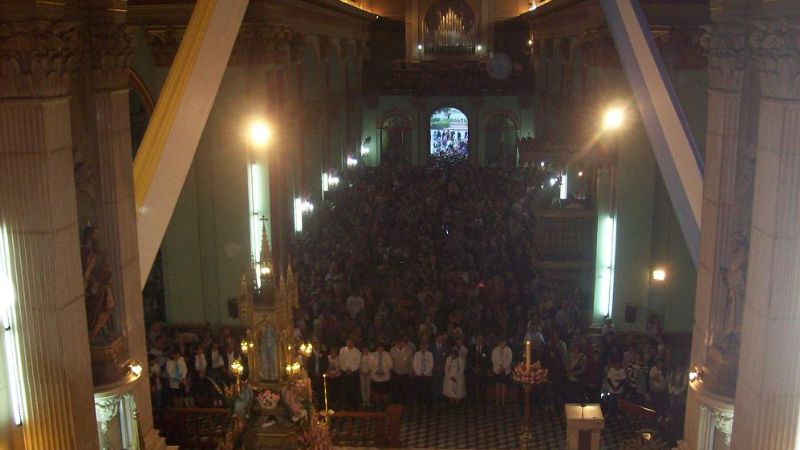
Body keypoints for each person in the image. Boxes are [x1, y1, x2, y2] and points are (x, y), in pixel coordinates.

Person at [467, 335, 491, 403]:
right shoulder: (471, 347)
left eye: (481, 339)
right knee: (472, 386)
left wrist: (481, 368)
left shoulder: (486, 348)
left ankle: (482, 400)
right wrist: (473, 368)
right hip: (473, 370)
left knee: (483, 386)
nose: (479, 340)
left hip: (482, 371)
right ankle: (472, 400)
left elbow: (488, 360)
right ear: (475, 339)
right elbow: (468, 359)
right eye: (478, 339)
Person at [339, 339, 361, 408]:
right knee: (346, 388)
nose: (349, 344)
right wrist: (346, 369)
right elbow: (340, 361)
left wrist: (351, 370)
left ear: (353, 343)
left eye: (351, 343)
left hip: (353, 372)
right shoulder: (342, 350)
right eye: (348, 342)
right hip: (345, 372)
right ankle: (346, 403)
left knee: (354, 388)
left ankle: (354, 404)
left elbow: (358, 362)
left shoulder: (357, 351)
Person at [390, 337, 413, 403]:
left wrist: (411, 371)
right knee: (396, 389)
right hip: (395, 372)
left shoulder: (409, 350)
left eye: (402, 342)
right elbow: (390, 361)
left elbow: (411, 361)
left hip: (405, 372)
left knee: (405, 389)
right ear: (396, 343)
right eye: (399, 342)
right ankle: (396, 402)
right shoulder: (392, 350)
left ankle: (405, 402)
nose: (401, 344)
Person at [491, 338, 513, 406]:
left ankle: (503, 401)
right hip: (497, 370)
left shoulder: (508, 350)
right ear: (498, 342)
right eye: (501, 342)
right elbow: (493, 359)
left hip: (505, 370)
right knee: (497, 385)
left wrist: (504, 368)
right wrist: (499, 368)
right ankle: (497, 401)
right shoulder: (495, 349)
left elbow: (509, 359)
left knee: (503, 385)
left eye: (503, 342)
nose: (502, 343)